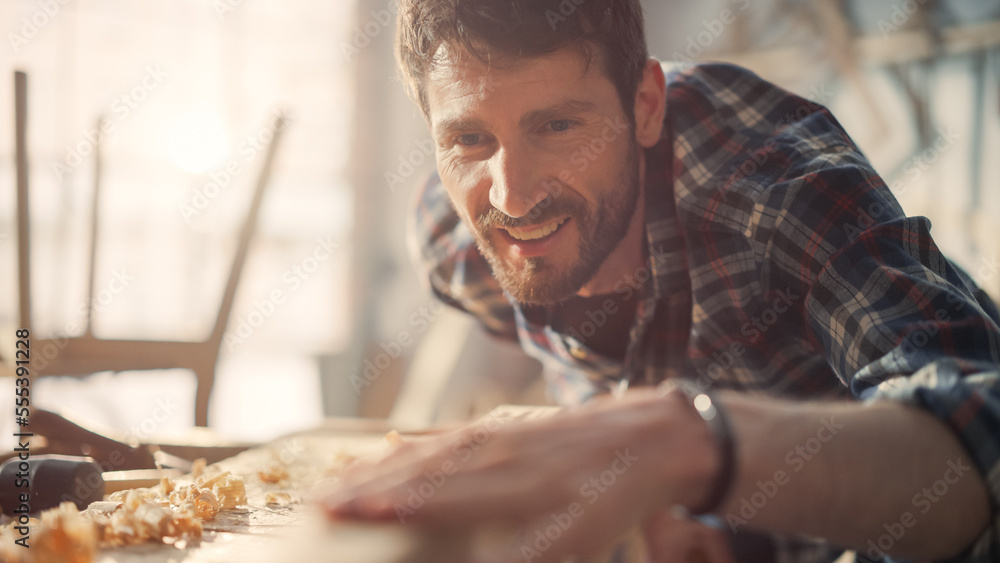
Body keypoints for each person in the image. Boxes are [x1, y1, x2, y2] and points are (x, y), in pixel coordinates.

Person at [322, 1, 1000, 561]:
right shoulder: (454, 247)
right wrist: (704, 524)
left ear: (645, 104)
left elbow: (980, 448)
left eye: (558, 126)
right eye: (468, 139)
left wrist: (686, 442)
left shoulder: (777, 188)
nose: (514, 197)